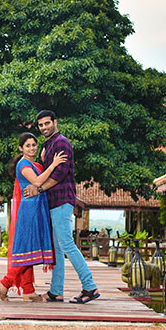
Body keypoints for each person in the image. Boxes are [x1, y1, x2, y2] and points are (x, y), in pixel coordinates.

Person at [24, 110, 100, 304]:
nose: (44, 128)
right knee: (57, 249)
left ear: (55, 122)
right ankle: (56, 292)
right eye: (41, 125)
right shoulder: (48, 145)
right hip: (53, 202)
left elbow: (59, 175)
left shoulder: (61, 143)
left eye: (47, 123)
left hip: (62, 200)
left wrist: (38, 189)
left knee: (66, 244)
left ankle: (89, 286)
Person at [0, 132, 66, 302]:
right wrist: (53, 164)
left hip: (38, 208)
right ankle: (5, 283)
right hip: (29, 211)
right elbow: (37, 182)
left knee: (31, 250)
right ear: (21, 148)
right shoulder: (23, 165)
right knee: (27, 248)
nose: (32, 148)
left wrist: (44, 161)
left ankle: (28, 289)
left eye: (34, 145)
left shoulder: (34, 164)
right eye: (27, 145)